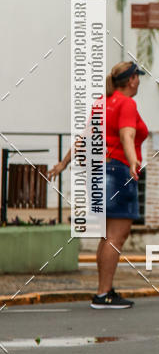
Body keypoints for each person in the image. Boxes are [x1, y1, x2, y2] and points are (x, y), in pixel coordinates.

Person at [49, 61, 148, 309]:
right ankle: (104, 294)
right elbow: (127, 135)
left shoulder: (102, 103)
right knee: (117, 234)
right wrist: (134, 160)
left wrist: (63, 163)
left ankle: (104, 291)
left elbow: (84, 137)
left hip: (100, 171)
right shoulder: (126, 103)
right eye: (138, 77)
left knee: (107, 235)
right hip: (118, 170)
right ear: (132, 80)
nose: (139, 82)